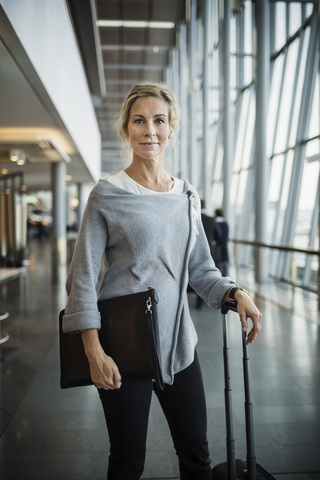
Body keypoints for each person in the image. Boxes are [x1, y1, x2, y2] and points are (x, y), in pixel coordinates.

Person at [62, 82, 262, 480]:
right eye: (139, 121)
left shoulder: (187, 196)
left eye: (159, 121)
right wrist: (93, 352)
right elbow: (82, 278)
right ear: (126, 129)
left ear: (171, 129)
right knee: (128, 462)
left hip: (179, 345)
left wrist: (235, 292)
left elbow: (202, 270)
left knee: (197, 457)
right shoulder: (107, 194)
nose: (149, 130)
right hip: (123, 347)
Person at [196, 200, 221, 309]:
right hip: (208, 251)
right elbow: (219, 235)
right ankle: (200, 302)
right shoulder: (211, 220)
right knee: (202, 272)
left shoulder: (190, 217)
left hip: (190, 252)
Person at [213, 208, 229, 276]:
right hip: (224, 248)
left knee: (217, 267)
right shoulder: (225, 224)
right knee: (224, 267)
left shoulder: (214, 223)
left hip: (217, 249)